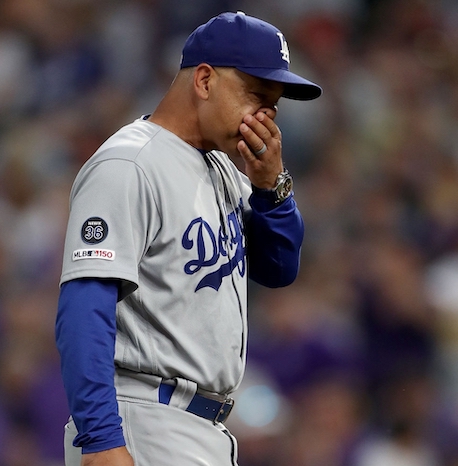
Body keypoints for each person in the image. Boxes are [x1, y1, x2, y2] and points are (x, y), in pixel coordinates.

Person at [55, 11, 322, 466]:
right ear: (203, 80)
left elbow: (279, 269)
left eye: (274, 103)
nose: (267, 115)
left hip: (197, 427)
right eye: (257, 94)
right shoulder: (130, 164)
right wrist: (100, 441)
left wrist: (271, 188)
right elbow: (83, 308)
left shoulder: (221, 169)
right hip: (142, 419)